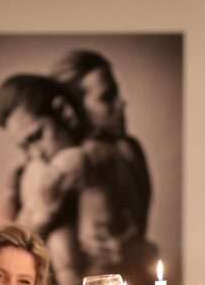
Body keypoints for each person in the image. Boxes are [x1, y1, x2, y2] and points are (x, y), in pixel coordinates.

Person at [0, 74, 148, 285]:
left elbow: (10, 245)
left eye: (36, 136)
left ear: (64, 111)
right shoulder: (34, 168)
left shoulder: (86, 159)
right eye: (24, 146)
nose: (36, 153)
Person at [50, 48, 153, 239]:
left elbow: (139, 233)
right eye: (107, 97)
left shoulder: (130, 151)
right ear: (68, 111)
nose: (121, 104)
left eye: (117, 93)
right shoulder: (64, 166)